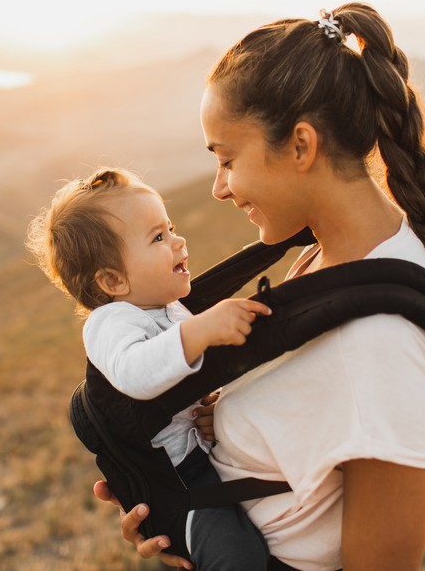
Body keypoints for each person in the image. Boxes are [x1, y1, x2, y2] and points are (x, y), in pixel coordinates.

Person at [94, 3, 425, 570]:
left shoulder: (384, 346)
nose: (219, 187)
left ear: (301, 145)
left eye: (227, 158)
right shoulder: (333, 255)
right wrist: (185, 517)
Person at [26, 167, 273, 570]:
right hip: (184, 486)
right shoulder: (110, 323)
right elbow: (136, 374)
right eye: (158, 237)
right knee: (237, 556)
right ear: (112, 280)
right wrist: (199, 331)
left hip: (209, 457)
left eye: (170, 227)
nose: (179, 241)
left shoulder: (166, 306)